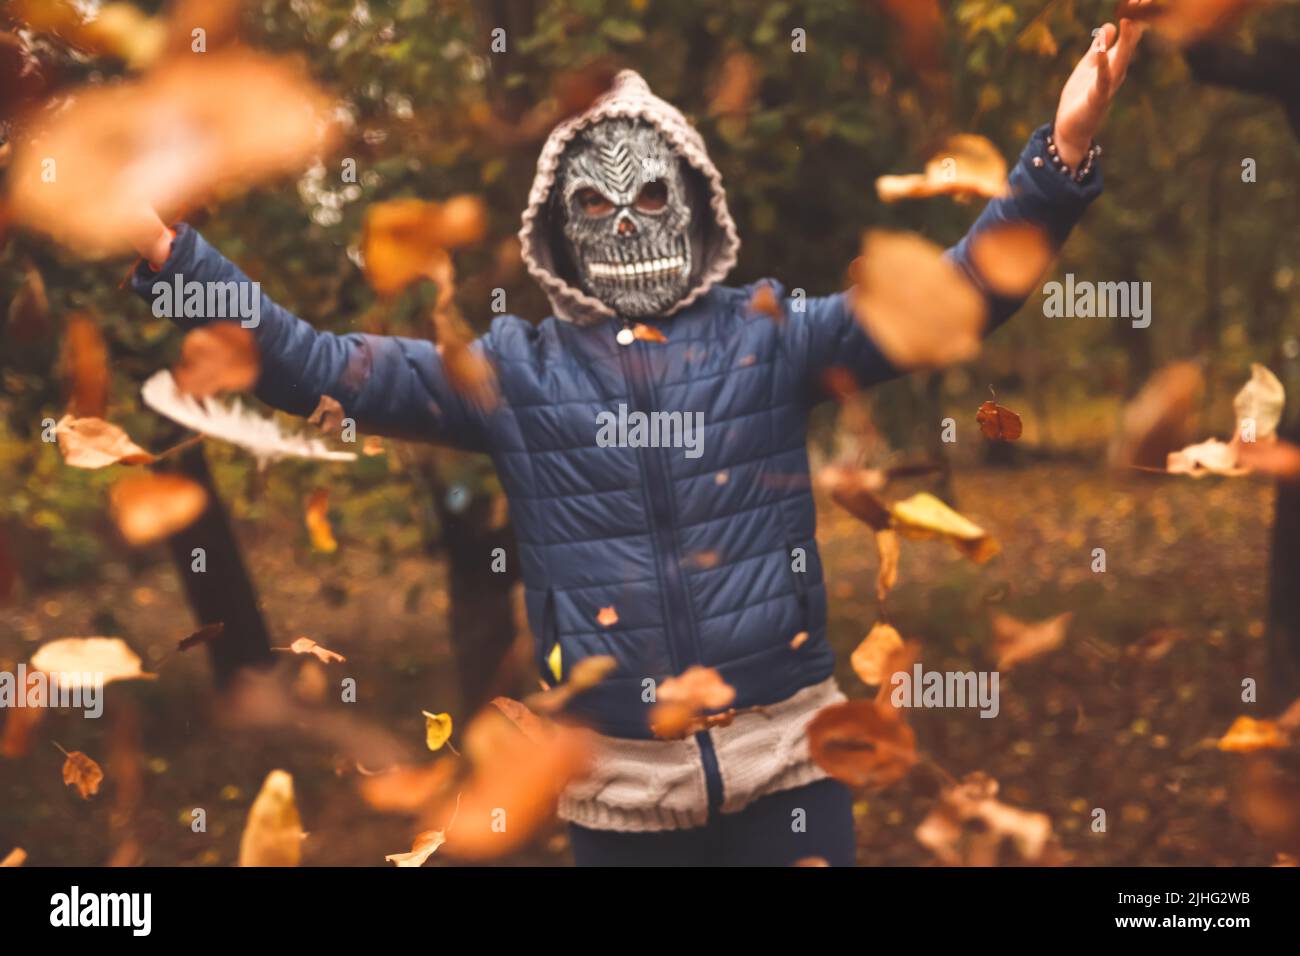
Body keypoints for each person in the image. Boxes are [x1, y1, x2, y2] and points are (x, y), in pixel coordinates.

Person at [128, 15, 1147, 866]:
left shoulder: (771, 335)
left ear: (696, 202)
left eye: (650, 196)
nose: (623, 224)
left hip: (794, 773)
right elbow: (319, 366)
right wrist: (178, 259)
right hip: (619, 804)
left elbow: (956, 296)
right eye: (595, 204)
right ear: (558, 228)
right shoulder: (513, 373)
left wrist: (1057, 163)